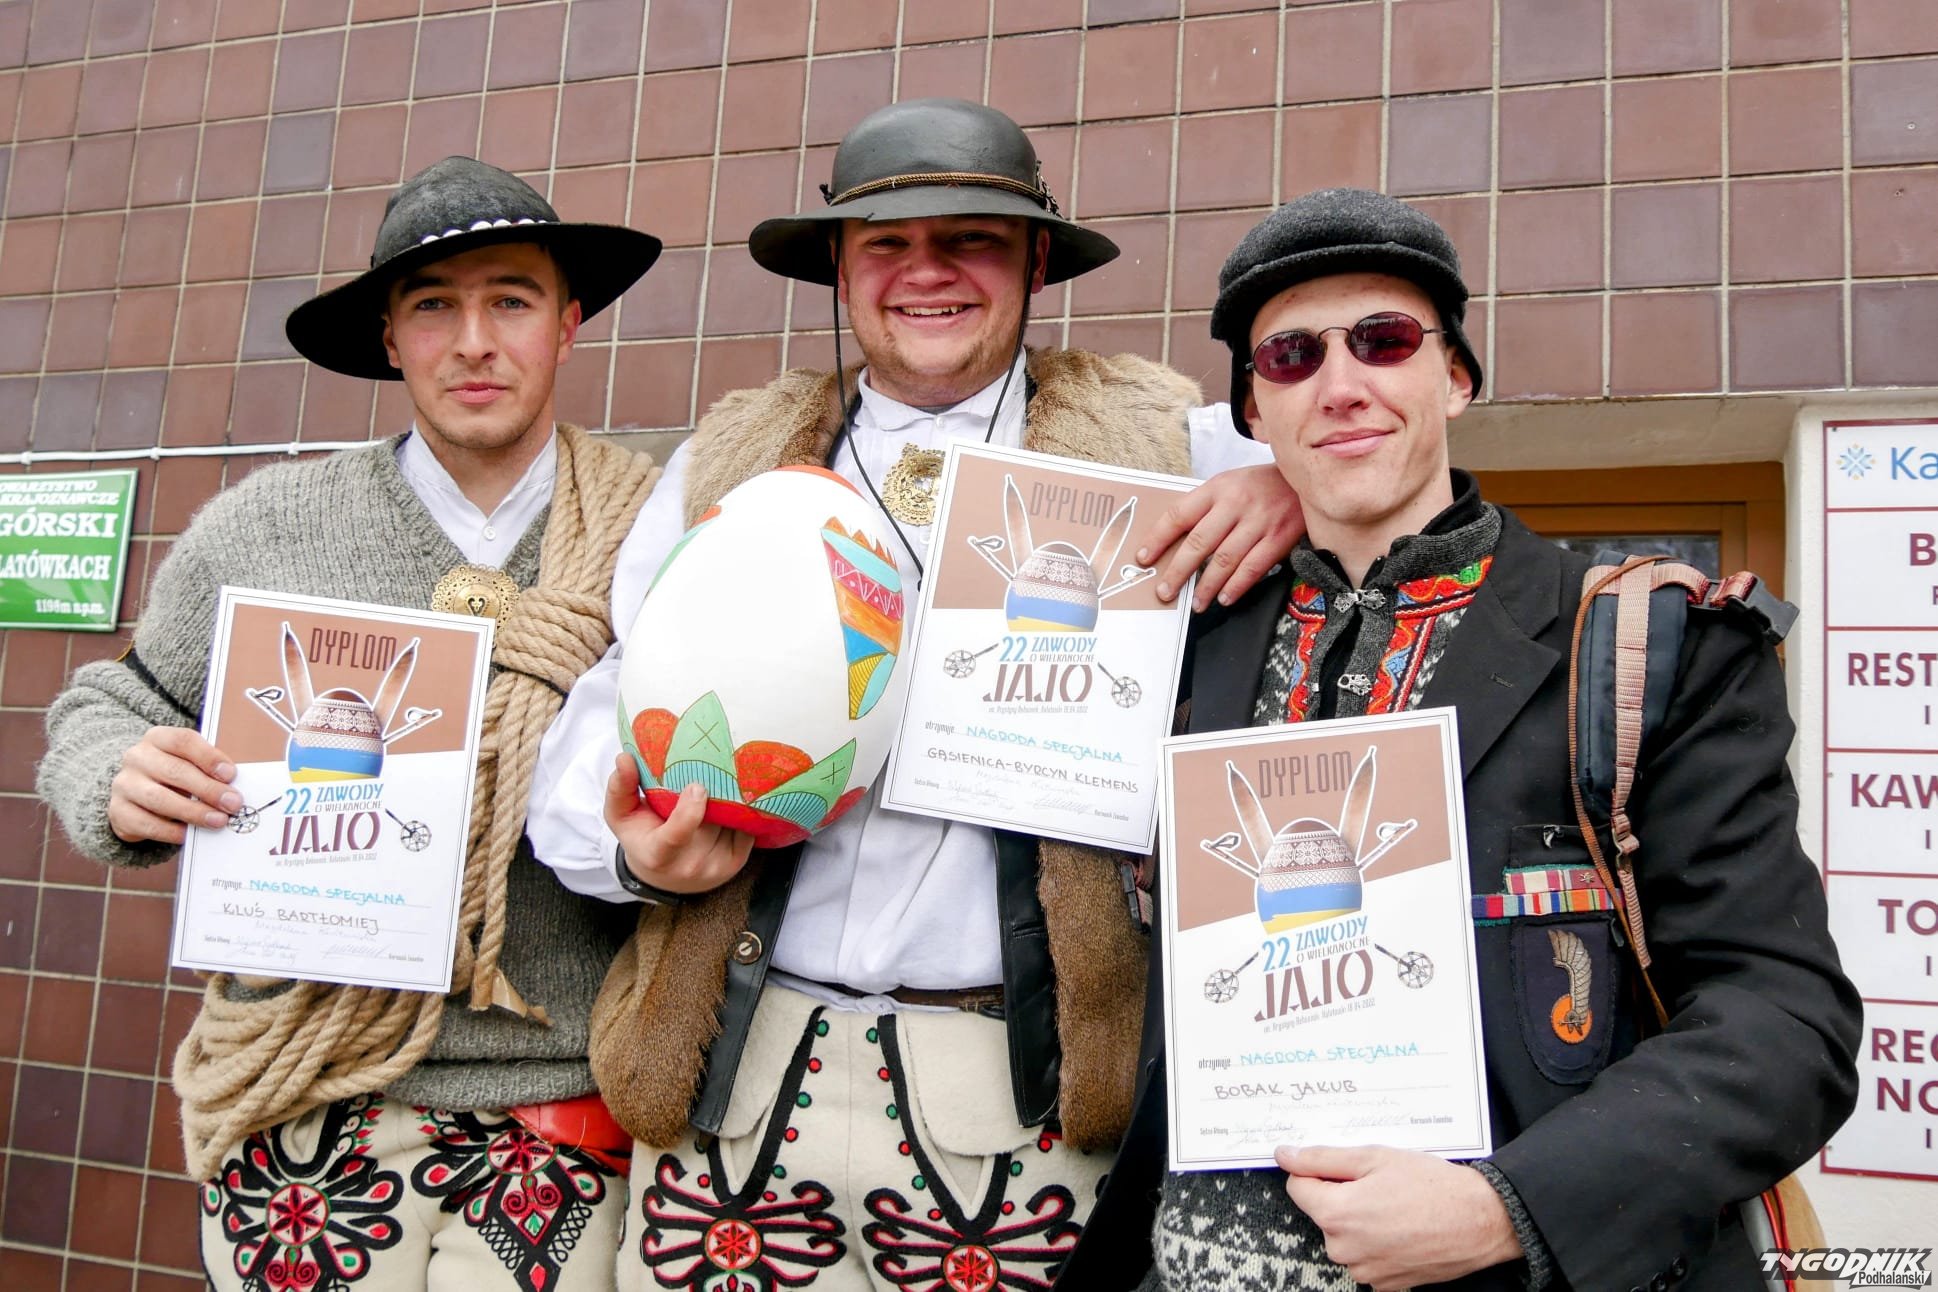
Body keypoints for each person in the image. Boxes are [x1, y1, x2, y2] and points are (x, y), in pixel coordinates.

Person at [525, 99, 1303, 1291]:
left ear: (1035, 262)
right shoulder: (731, 458)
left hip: (1017, 1088)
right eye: (886, 242)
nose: (926, 271)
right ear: (840, 269)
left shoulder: (1173, 445)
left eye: (971, 239)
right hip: (738, 1069)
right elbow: (607, 715)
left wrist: (1290, 488)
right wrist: (636, 854)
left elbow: (1384, 488)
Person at [1061, 187, 1863, 1292]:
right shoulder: (1179, 641)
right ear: (1254, 409)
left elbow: (1784, 1022)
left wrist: (1511, 1206)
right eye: (1291, 357)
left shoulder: (1641, 646)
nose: (1340, 383)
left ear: (1456, 376)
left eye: (1383, 340)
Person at [37, 156, 663, 1291]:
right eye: (433, 307)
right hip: (303, 1095)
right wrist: (117, 774)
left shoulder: (658, 532)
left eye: (511, 300)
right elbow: (112, 701)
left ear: (568, 324)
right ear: (389, 337)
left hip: (559, 1107)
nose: (474, 341)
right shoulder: (267, 528)